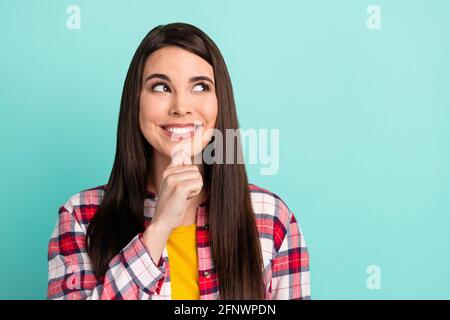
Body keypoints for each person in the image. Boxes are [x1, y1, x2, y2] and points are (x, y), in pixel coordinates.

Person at [47, 22, 310, 300]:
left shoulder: (272, 218)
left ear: (221, 103)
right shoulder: (81, 218)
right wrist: (159, 228)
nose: (181, 107)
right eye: (161, 87)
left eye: (200, 86)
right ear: (134, 102)